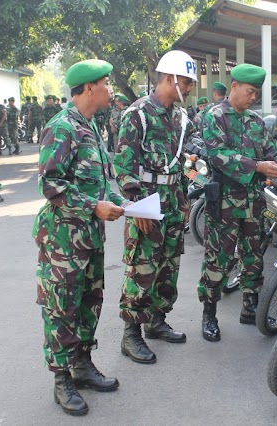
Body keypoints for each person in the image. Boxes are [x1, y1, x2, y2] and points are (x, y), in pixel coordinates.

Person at [34, 59, 127, 416]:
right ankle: (61, 380)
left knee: (90, 301)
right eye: (105, 83)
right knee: (62, 309)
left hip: (89, 236)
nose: (110, 89)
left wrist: (122, 202)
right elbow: (52, 184)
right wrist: (94, 207)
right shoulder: (62, 127)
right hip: (63, 240)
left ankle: (82, 365)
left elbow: (97, 182)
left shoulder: (90, 126)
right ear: (88, 88)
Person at [196, 63, 277, 342]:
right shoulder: (214, 116)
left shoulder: (255, 122)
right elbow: (218, 155)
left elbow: (271, 152)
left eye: (257, 93)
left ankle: (250, 306)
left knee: (253, 256)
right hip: (224, 203)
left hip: (254, 202)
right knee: (218, 259)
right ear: (234, 87)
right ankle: (209, 313)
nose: (253, 97)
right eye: (250, 91)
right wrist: (258, 166)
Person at [114, 50, 197, 364]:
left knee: (168, 267)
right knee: (142, 268)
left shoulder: (180, 116)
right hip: (147, 203)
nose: (189, 88)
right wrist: (135, 206)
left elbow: (183, 162)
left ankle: (157, 321)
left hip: (174, 202)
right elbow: (123, 165)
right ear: (169, 78)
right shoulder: (137, 113)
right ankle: (131, 334)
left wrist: (186, 197)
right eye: (186, 82)